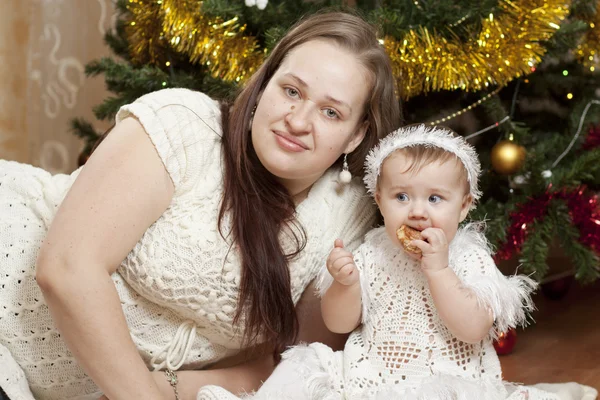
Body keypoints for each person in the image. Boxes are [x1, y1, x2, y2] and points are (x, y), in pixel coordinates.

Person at [0, 11, 402, 400]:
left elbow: (295, 364)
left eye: (331, 112)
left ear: (356, 135)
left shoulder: (346, 213)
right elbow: (67, 269)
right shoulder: (185, 125)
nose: (298, 121)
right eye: (291, 91)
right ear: (265, 86)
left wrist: (170, 388)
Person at [197, 125, 598, 400]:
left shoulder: (467, 256)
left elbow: (474, 327)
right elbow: (339, 324)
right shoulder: (372, 253)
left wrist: (439, 270)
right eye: (402, 197)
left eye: (435, 199)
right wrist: (345, 283)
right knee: (305, 363)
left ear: (464, 207)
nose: (417, 212)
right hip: (367, 376)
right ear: (381, 202)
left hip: (445, 381)